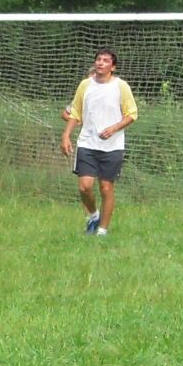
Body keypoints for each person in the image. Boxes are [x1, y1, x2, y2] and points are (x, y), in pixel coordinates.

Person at [60, 48, 137, 236]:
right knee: (84, 186)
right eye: (99, 59)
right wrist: (66, 136)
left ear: (113, 67)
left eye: (106, 60)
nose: (101, 63)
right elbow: (75, 112)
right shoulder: (85, 85)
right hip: (87, 143)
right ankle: (93, 215)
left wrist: (113, 128)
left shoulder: (121, 86)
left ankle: (102, 231)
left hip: (112, 146)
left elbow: (132, 114)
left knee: (106, 187)